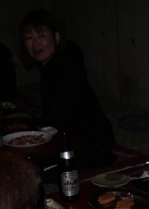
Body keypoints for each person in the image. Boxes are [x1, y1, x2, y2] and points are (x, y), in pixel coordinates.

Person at [20, 9, 115, 160]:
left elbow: (59, 116)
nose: (35, 43)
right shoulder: (50, 64)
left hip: (91, 142)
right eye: (29, 38)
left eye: (41, 36)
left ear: (56, 37)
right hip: (72, 136)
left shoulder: (66, 67)